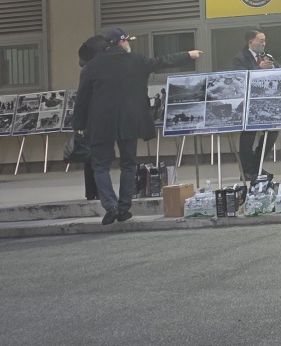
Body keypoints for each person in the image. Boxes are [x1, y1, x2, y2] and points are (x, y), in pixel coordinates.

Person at [74, 29, 199, 225]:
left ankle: (111, 206)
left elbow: (82, 99)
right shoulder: (136, 60)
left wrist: (78, 125)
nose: (129, 44)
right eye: (127, 41)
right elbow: (162, 61)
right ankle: (124, 208)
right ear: (121, 42)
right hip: (130, 122)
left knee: (100, 166)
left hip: (101, 123)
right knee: (128, 164)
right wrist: (187, 55)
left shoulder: (92, 66)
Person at [234, 28, 277, 182]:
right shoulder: (240, 58)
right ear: (251, 42)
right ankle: (247, 170)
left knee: (272, 132)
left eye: (265, 40)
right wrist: (259, 68)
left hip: (266, 101)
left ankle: (257, 165)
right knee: (248, 136)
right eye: (261, 40)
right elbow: (240, 78)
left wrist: (273, 67)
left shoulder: (266, 55)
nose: (264, 43)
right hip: (249, 102)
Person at [76, 34, 110, 202]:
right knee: (97, 159)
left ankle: (92, 192)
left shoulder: (88, 68)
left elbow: (82, 98)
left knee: (92, 158)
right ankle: (96, 192)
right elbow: (83, 97)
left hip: (92, 119)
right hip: (97, 119)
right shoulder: (95, 69)